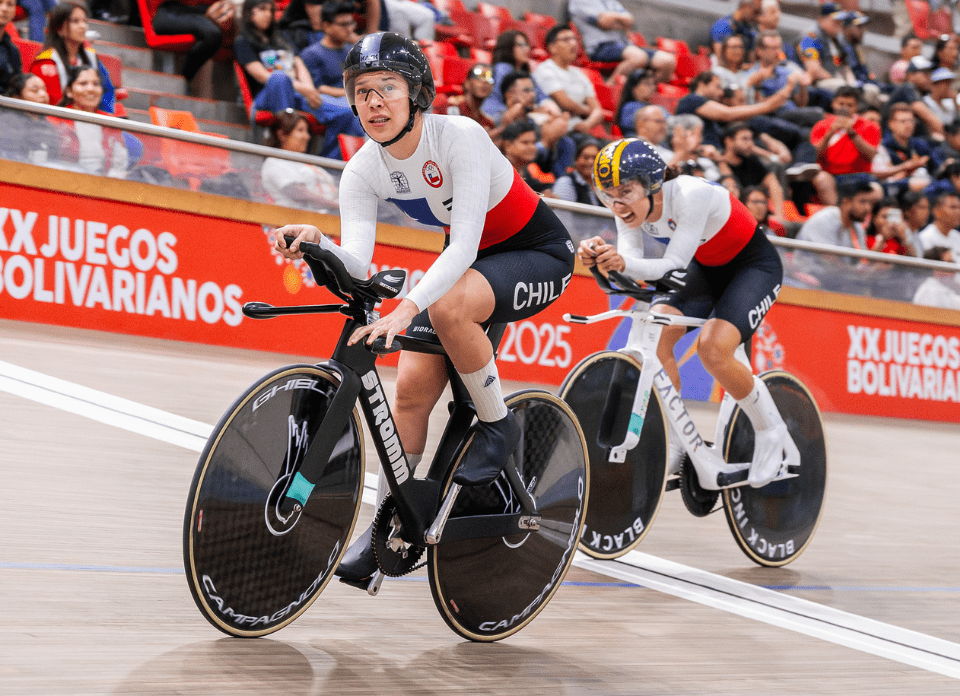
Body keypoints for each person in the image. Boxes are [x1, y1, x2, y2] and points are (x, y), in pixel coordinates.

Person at [274, 33, 576, 583]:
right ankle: (389, 525)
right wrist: (320, 241)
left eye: (387, 87)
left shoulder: (458, 135)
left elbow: (463, 247)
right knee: (410, 390)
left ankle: (498, 425)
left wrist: (407, 304)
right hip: (468, 264)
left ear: (416, 92)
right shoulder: (363, 170)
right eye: (362, 91)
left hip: (535, 253)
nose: (373, 102)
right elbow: (360, 266)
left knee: (446, 309)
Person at [577, 138, 796, 488]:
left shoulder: (692, 195)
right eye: (607, 194)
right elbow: (631, 260)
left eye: (625, 191)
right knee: (657, 334)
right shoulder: (628, 206)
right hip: (705, 268)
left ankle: (771, 430)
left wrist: (620, 260)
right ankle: (677, 441)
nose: (616, 204)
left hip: (752, 268)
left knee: (713, 349)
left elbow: (673, 263)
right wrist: (600, 255)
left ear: (653, 184)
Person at [234, 0, 364, 160]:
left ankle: (329, 164)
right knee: (279, 78)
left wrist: (309, 90)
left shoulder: (279, 38)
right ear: (248, 13)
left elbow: (299, 65)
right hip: (268, 96)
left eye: (270, 10)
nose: (268, 14)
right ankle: (286, 140)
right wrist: (304, 89)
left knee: (350, 111)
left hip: (297, 95)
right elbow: (262, 75)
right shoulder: (243, 41)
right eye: (262, 9)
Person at [30, 2, 117, 114]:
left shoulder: (91, 57)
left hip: (93, 121)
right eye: (75, 21)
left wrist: (105, 121)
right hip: (58, 124)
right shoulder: (46, 62)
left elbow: (107, 90)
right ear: (59, 28)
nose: (83, 26)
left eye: (85, 21)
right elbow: (50, 106)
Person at [568, 0, 675, 83]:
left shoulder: (610, 1)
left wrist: (613, 18)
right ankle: (609, 89)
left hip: (624, 45)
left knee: (668, 61)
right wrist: (621, 20)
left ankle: (644, 93)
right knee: (638, 57)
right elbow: (604, 23)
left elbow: (630, 20)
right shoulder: (580, 1)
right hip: (600, 47)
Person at [52, 65, 128, 178]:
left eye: (96, 84)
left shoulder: (110, 122)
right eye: (83, 84)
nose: (91, 89)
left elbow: (119, 165)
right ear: (69, 91)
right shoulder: (55, 120)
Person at [532, 24, 605, 137]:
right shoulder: (545, 69)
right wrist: (588, 111)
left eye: (574, 39)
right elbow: (565, 103)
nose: (573, 43)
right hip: (559, 129)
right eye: (566, 40)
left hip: (581, 128)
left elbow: (598, 110)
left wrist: (587, 124)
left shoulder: (579, 74)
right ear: (552, 47)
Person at [261, 109, 339, 209]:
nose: (307, 136)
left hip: (327, 216)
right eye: (300, 130)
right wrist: (336, 206)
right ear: (282, 135)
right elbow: (298, 194)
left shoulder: (305, 162)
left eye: (307, 131)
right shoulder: (273, 163)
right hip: (299, 219)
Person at [153, 0, 230, 91]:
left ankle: (185, 79)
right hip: (170, 11)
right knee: (213, 33)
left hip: (201, 11)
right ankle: (184, 79)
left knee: (216, 33)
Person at [810, 86, 880, 182]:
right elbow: (814, 155)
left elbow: (871, 156)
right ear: (833, 103)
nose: (844, 109)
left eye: (850, 105)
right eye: (841, 104)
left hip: (859, 175)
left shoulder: (870, 126)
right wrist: (830, 133)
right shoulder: (821, 125)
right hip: (829, 174)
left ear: (857, 107)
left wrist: (852, 133)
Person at [482, 29, 552, 125]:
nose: (526, 49)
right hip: (496, 114)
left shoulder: (527, 74)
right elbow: (509, 101)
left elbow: (542, 97)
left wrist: (548, 108)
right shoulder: (502, 68)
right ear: (507, 47)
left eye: (527, 44)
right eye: (520, 45)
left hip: (517, 115)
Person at [719, 121, 785, 219]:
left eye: (751, 139)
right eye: (744, 139)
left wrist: (779, 216)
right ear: (729, 141)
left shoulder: (752, 161)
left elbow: (773, 184)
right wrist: (721, 162)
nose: (750, 144)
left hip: (751, 216)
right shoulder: (717, 161)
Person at [299, 1, 358, 99]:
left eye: (351, 23)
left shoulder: (353, 50)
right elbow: (319, 89)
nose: (349, 29)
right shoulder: (311, 54)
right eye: (343, 25)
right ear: (326, 26)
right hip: (330, 103)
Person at [796, 178, 873, 252]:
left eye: (870, 203)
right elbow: (830, 261)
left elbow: (863, 261)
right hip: (809, 265)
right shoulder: (825, 220)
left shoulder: (856, 227)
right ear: (846, 202)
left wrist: (881, 241)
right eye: (862, 202)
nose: (868, 208)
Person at [871, 103, 932, 194]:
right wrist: (906, 168)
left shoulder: (919, 144)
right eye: (903, 121)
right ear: (891, 124)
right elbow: (883, 176)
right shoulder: (883, 147)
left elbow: (935, 167)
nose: (908, 125)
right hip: (894, 189)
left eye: (911, 121)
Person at [0, 72, 60, 164]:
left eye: (44, 89)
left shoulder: (48, 125)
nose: (43, 94)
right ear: (17, 97)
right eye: (35, 90)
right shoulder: (6, 122)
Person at [885, 55, 943, 139]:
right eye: (925, 73)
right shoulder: (907, 87)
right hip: (892, 142)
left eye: (929, 73)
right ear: (911, 75)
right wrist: (950, 137)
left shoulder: (922, 93)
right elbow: (929, 118)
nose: (929, 77)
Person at [500, 117, 556, 195]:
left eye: (533, 142)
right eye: (525, 142)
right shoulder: (499, 170)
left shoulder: (525, 171)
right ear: (507, 145)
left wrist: (546, 192)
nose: (532, 147)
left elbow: (540, 188)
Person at [552, 137, 601, 205]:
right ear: (576, 160)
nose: (590, 162)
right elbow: (561, 214)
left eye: (595, 158)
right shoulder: (566, 182)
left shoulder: (603, 186)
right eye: (585, 157)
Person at [614, 68, 656, 138]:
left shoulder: (655, 107)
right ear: (634, 88)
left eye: (653, 84)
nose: (652, 87)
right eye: (647, 83)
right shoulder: (629, 107)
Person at [918, 191, 960, 259]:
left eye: (959, 207)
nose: (958, 212)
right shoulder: (925, 238)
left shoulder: (958, 237)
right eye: (953, 207)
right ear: (937, 211)